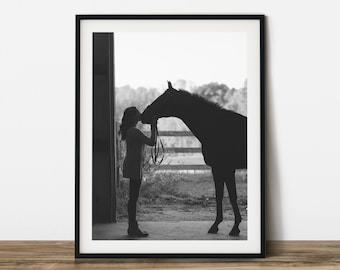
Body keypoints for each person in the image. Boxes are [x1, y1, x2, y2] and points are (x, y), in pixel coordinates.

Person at [120, 106, 157, 237]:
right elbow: (152, 142)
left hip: (133, 165)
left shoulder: (130, 130)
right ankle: (133, 227)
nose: (139, 115)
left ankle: (132, 227)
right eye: (137, 114)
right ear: (133, 117)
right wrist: (153, 126)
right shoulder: (134, 131)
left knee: (133, 198)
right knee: (133, 198)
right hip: (134, 166)